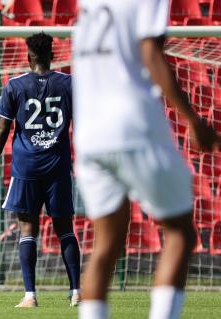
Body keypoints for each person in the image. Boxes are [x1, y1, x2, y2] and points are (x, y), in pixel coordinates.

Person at [72, 1, 219, 318]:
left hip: (90, 133)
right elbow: (150, 53)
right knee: (180, 231)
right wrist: (193, 120)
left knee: (105, 247)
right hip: (133, 124)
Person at [0, 32, 81, 308]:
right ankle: (76, 291)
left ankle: (30, 295)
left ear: (28, 57)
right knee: (65, 228)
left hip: (26, 167)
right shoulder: (69, 84)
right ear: (52, 56)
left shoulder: (14, 85)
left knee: (28, 229)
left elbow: (3, 128)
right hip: (58, 166)